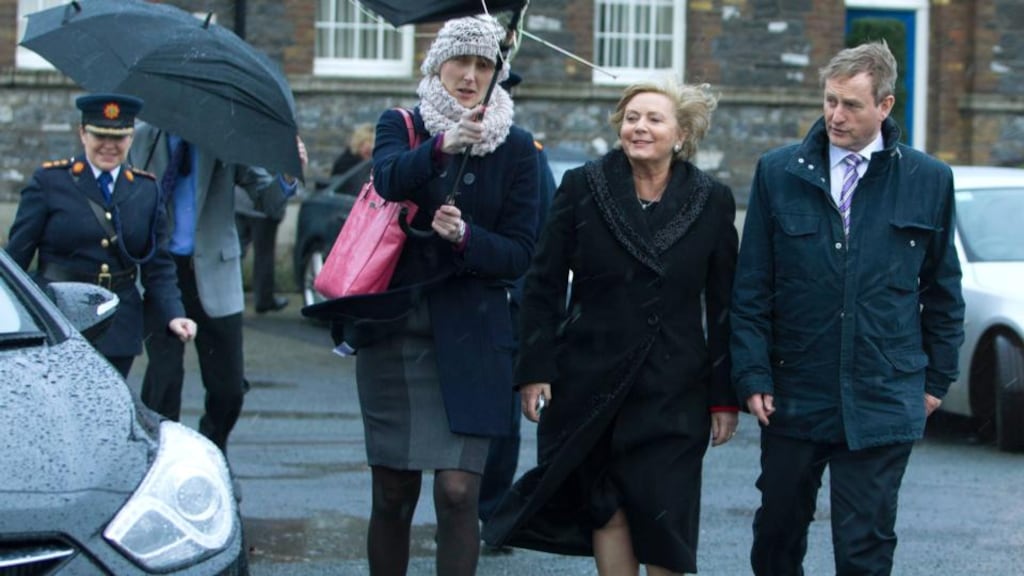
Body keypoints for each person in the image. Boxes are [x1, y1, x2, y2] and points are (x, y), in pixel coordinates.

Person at [482, 77, 739, 575]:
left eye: (653, 118)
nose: (639, 127)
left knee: (666, 517)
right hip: (591, 383)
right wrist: (535, 370)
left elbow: (726, 301)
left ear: (681, 134)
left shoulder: (712, 199)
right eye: (631, 117)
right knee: (608, 505)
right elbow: (544, 282)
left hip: (674, 389)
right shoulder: (583, 186)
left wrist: (724, 395)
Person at [315, 15, 541, 575]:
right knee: (393, 493)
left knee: (460, 492)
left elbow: (519, 253)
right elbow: (389, 178)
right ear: (436, 65)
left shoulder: (518, 150)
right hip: (396, 330)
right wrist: (444, 145)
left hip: (474, 336)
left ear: (497, 74)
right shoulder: (401, 124)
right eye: (459, 62)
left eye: (483, 65)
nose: (469, 75)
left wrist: (467, 237)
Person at [730, 41, 965, 576]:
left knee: (865, 547)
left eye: (852, 105)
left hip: (884, 391)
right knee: (777, 533)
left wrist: (935, 381)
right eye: (830, 101)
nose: (835, 115)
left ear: (885, 106)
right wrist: (751, 372)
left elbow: (943, 291)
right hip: (796, 388)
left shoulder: (929, 180)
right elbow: (751, 288)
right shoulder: (779, 172)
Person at [129, 124, 306, 453]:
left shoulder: (226, 139)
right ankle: (161, 458)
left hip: (214, 271)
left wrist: (288, 175)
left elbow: (268, 202)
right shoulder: (143, 138)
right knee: (163, 380)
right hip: (162, 273)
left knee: (228, 389)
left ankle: (212, 452)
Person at [6, 93, 195, 378]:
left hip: (118, 323)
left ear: (130, 138)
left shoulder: (146, 190)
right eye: (100, 136)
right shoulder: (50, 182)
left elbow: (158, 266)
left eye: (119, 138)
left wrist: (174, 313)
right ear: (83, 134)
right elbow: (17, 256)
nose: (109, 146)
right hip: (59, 319)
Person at [476, 70, 557, 551]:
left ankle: (490, 512)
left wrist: (530, 303)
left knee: (504, 423)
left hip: (507, 302)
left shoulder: (527, 153)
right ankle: (462, 506)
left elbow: (544, 237)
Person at [235, 185, 289, 313]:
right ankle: (264, 300)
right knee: (264, 256)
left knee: (236, 253)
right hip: (264, 208)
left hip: (239, 202)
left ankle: (229, 296)